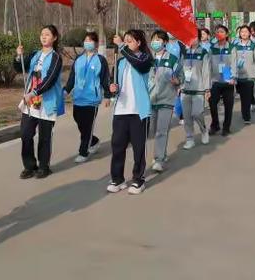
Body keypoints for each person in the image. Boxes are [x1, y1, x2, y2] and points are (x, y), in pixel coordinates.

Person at [14, 25, 64, 180]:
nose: (44, 37)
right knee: (25, 134)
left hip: (46, 102)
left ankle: (44, 166)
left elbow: (50, 79)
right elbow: (18, 68)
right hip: (31, 102)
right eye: (42, 34)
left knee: (44, 136)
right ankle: (29, 166)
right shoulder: (35, 55)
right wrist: (18, 57)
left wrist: (34, 92)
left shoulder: (56, 57)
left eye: (47, 34)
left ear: (54, 38)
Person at [108, 30, 153, 195]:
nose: (126, 43)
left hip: (138, 110)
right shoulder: (120, 62)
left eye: (129, 41)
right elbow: (113, 84)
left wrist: (121, 46)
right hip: (121, 109)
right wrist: (112, 89)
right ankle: (117, 179)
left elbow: (139, 65)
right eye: (125, 41)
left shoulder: (145, 58)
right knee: (117, 145)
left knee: (138, 147)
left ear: (139, 42)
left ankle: (138, 180)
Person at [64, 32, 111, 164]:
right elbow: (72, 78)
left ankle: (83, 152)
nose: (87, 42)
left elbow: (105, 79)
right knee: (80, 123)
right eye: (85, 40)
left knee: (88, 126)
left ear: (95, 44)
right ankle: (94, 141)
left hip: (92, 100)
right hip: (78, 98)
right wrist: (65, 91)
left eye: (90, 40)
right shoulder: (78, 59)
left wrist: (107, 96)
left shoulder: (100, 60)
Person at [148, 30, 183, 172]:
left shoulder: (173, 59)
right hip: (151, 99)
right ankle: (162, 153)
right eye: (154, 39)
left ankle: (159, 159)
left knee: (162, 130)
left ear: (165, 42)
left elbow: (181, 76)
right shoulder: (149, 60)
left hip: (167, 99)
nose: (155, 42)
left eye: (158, 39)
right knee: (154, 130)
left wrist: (178, 81)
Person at [180, 30, 211, 149]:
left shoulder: (204, 53)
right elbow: (180, 71)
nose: (192, 40)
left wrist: (207, 89)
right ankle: (189, 138)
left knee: (197, 113)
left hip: (198, 89)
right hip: (185, 89)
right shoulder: (185, 53)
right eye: (190, 37)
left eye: (194, 37)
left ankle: (204, 130)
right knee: (187, 116)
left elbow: (206, 72)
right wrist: (179, 86)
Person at [209, 25, 237, 136]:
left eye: (221, 31)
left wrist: (233, 77)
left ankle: (226, 127)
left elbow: (234, 63)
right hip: (215, 81)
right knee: (212, 104)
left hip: (227, 80)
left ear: (226, 34)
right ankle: (215, 125)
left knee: (228, 105)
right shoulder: (212, 48)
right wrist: (208, 80)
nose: (219, 34)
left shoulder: (232, 48)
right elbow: (209, 65)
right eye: (217, 32)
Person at [234, 25, 255, 125]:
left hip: (249, 76)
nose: (244, 33)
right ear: (240, 34)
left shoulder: (254, 46)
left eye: (246, 31)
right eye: (242, 32)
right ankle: (244, 111)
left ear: (249, 33)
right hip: (238, 76)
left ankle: (247, 117)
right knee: (242, 96)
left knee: (247, 96)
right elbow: (232, 61)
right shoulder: (235, 47)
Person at [166, 32, 186, 125]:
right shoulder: (164, 44)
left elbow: (183, 61)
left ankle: (182, 115)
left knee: (179, 96)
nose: (170, 33)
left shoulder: (181, 45)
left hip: (178, 74)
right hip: (165, 74)